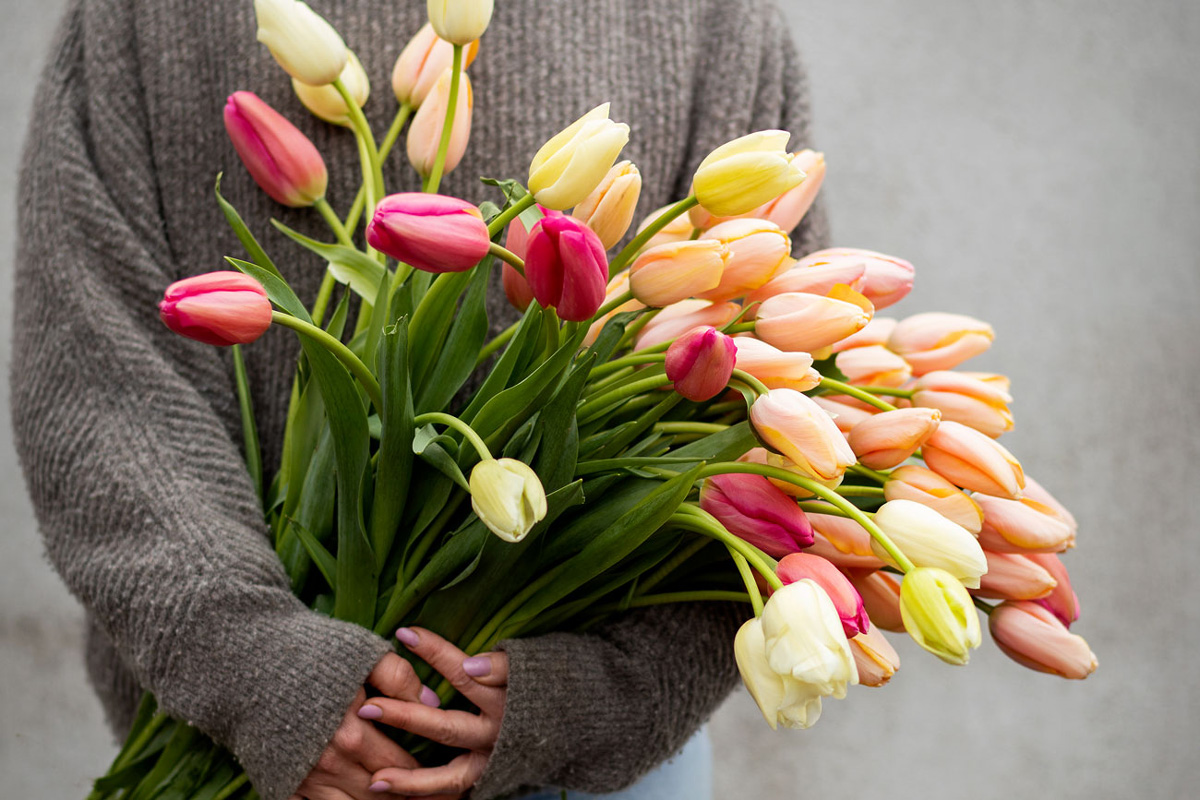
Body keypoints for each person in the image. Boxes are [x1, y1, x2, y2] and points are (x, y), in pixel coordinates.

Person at [11, 1, 829, 798]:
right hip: (223, 736)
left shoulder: (716, 21)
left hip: (587, 773)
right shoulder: (139, 18)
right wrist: (256, 668)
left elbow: (785, 423)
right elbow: (95, 373)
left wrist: (594, 701)